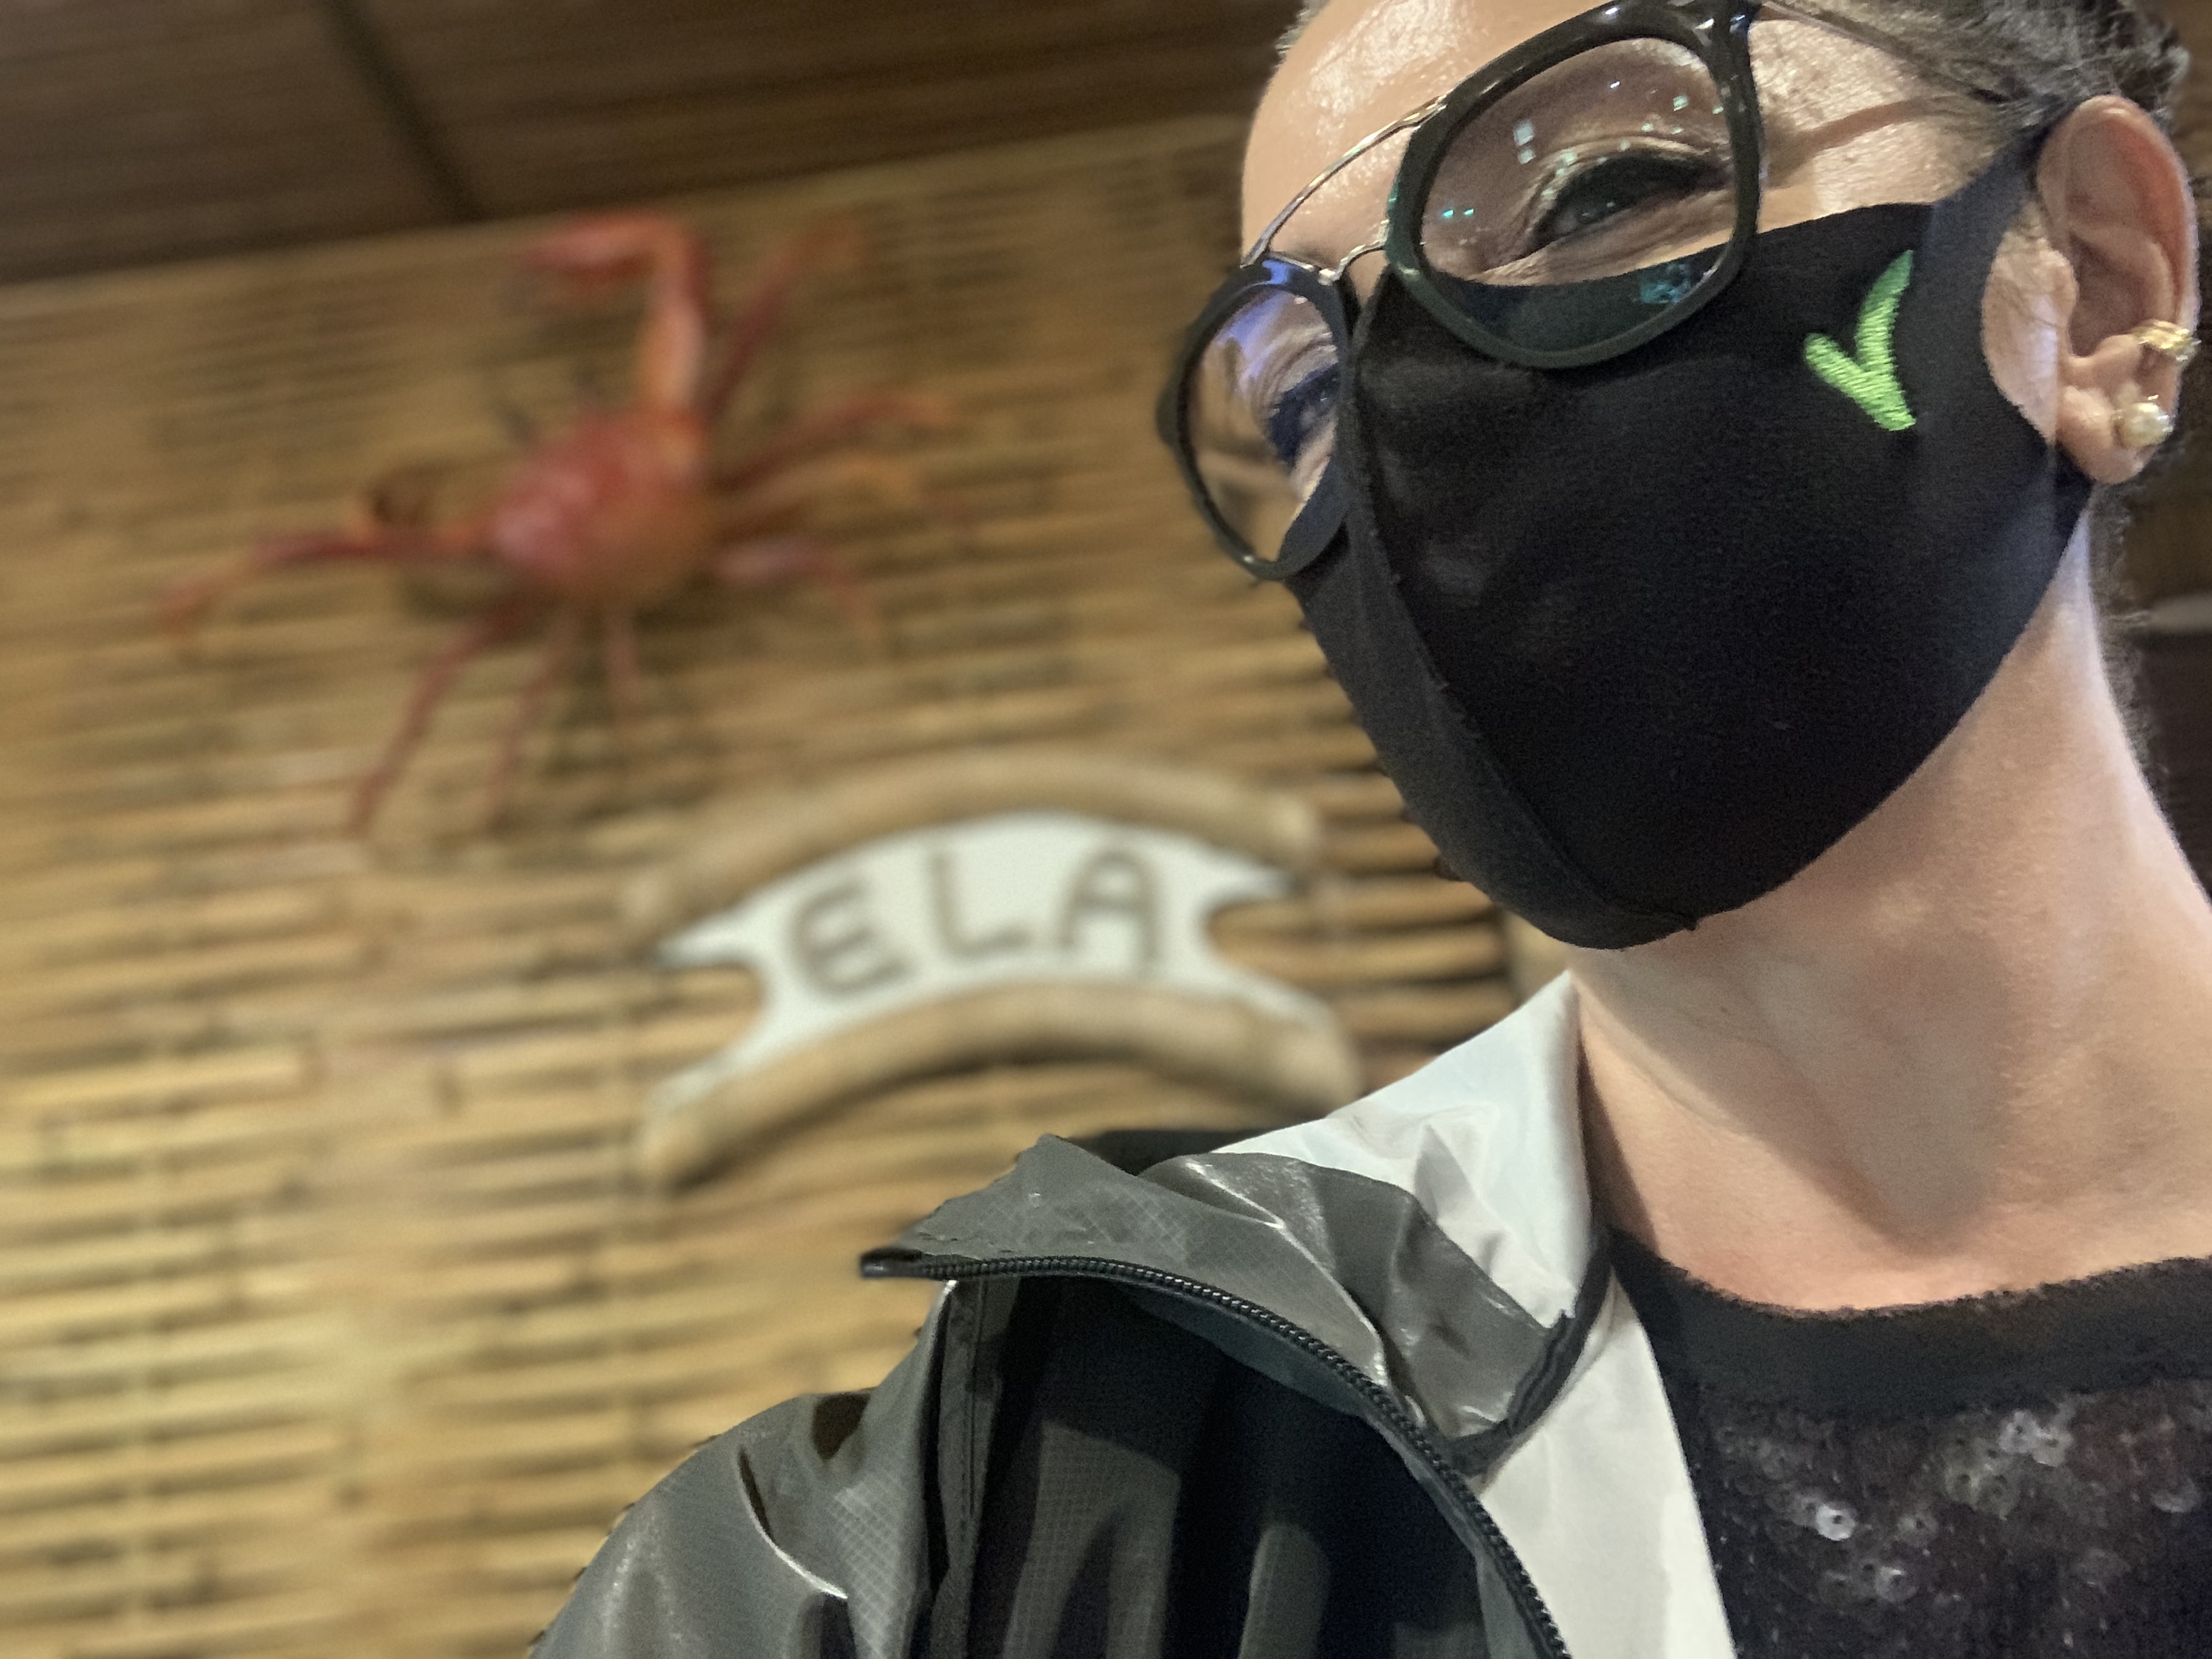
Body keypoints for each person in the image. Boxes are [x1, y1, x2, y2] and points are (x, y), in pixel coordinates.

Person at [534, 2, 2208, 1654]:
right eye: (1297, 396)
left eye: (1597, 193)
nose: (1407, 397)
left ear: (2097, 281)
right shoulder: (1004, 1509)